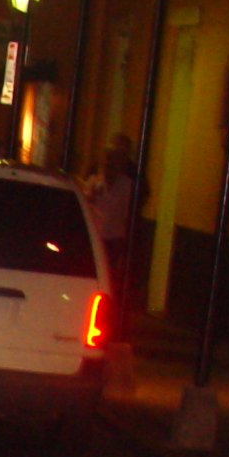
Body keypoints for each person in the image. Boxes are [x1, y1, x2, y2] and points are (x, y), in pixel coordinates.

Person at [84, 138, 137, 323]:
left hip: (114, 237)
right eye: (107, 160)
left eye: (114, 160)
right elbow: (85, 204)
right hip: (96, 237)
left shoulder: (127, 185)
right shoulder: (94, 181)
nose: (109, 164)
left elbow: (129, 212)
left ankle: (109, 314)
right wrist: (91, 196)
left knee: (111, 276)